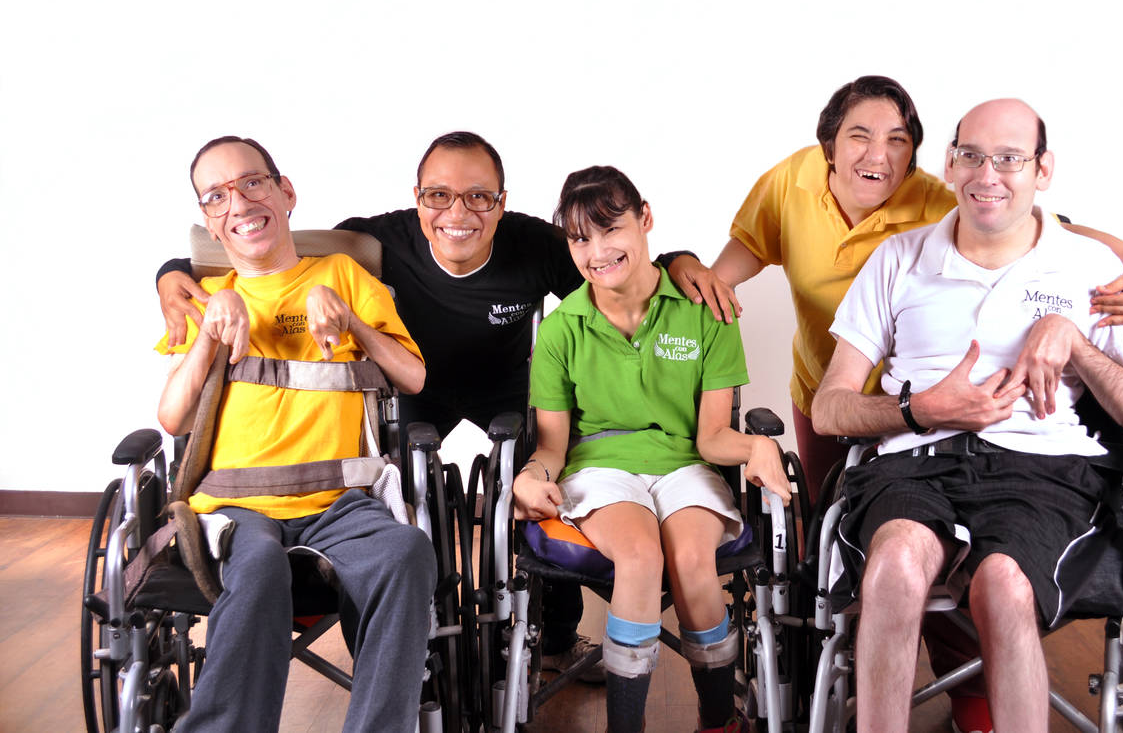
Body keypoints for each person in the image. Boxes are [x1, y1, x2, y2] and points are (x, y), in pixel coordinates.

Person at [156, 131, 738, 681]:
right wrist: (172, 274)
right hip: (417, 390)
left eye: (478, 197)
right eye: (438, 196)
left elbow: (613, 269)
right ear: (418, 199)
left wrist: (681, 260)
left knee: (540, 481)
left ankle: (556, 634)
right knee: (408, 498)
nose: (457, 213)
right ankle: (426, 634)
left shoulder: (533, 244)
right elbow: (273, 244)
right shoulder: (379, 240)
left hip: (506, 389)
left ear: (501, 203)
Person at [704, 76, 1123, 732]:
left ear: (1043, 170)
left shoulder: (1088, 267)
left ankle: (976, 703)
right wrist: (923, 409)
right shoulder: (896, 256)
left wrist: (1076, 342)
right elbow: (831, 407)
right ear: (950, 163)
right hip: (913, 460)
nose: (988, 174)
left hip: (1042, 470)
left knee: (1003, 585)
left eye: (1010, 158)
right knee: (893, 567)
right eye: (972, 155)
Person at [157, 136, 434, 732]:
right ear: (209, 218)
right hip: (238, 506)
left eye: (252, 182)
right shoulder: (208, 298)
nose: (238, 202)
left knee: (407, 551)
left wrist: (351, 318)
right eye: (216, 195)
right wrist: (211, 331)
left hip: (340, 504)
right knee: (258, 568)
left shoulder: (343, 274)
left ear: (285, 192)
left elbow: (412, 377)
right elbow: (173, 419)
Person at [512, 166, 792, 733]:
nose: (597, 252)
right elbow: (553, 447)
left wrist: (757, 446)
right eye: (580, 239)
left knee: (692, 561)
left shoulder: (705, 309)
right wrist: (529, 475)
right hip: (600, 466)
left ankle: (719, 720)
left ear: (645, 218)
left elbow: (712, 437)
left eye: (611, 229)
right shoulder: (562, 329)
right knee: (640, 558)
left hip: (687, 464)